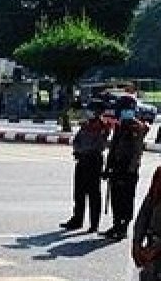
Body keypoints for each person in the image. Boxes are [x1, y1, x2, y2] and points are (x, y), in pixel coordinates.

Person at [104, 96, 150, 240]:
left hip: (128, 170)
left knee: (126, 198)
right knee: (116, 198)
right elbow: (113, 148)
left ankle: (123, 227)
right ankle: (116, 224)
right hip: (117, 167)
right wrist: (108, 167)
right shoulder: (120, 126)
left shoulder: (137, 127)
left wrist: (130, 170)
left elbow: (136, 152)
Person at [63, 100, 112, 232]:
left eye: (91, 110)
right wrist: (78, 150)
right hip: (82, 160)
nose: (88, 113)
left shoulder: (103, 127)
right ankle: (77, 220)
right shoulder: (85, 125)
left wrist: (83, 150)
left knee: (93, 194)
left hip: (93, 161)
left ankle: (94, 224)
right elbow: (76, 141)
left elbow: (98, 145)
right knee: (78, 192)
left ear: (97, 112)